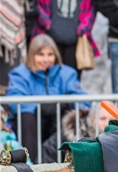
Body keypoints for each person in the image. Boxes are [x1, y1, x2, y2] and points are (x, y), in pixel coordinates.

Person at [6, 34, 88, 163]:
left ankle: (67, 161)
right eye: (40, 54)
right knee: (26, 115)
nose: (46, 59)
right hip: (31, 124)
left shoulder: (67, 73)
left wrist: (58, 105)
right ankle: (31, 165)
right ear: (32, 56)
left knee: (73, 110)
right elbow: (15, 99)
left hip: (57, 122)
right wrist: (39, 107)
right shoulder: (20, 74)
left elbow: (83, 99)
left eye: (50, 54)